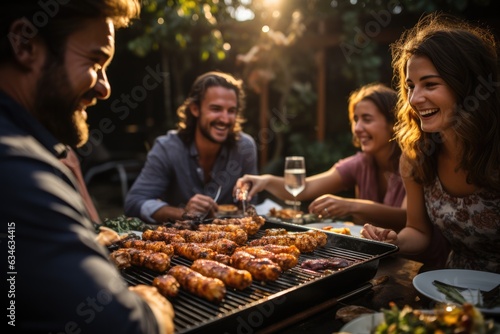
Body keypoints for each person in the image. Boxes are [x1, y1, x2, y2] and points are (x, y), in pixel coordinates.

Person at [0, 1, 175, 333]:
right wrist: (151, 307)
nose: (105, 88)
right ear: (25, 43)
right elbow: (124, 327)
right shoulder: (18, 167)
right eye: (96, 61)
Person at [361, 13, 500, 273]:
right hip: (455, 292)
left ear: (467, 86)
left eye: (430, 84)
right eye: (410, 86)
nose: (414, 99)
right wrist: (393, 241)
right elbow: (418, 231)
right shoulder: (416, 156)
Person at [236, 83, 407, 230]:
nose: (357, 128)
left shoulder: (413, 163)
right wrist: (265, 181)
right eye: (356, 120)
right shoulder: (360, 163)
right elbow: (305, 188)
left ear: (393, 123)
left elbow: (407, 217)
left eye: (367, 119)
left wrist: (351, 205)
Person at [125, 71, 258, 223]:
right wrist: (183, 213)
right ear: (195, 109)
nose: (225, 119)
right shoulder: (167, 147)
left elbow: (249, 205)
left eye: (231, 111)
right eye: (216, 109)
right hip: (179, 241)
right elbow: (134, 203)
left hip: (232, 241)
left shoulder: (245, 147)